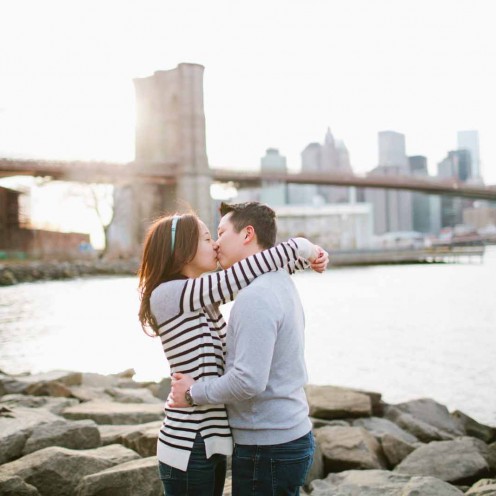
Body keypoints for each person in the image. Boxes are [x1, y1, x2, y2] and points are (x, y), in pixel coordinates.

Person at [138, 208, 328, 496]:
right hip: (188, 442)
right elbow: (242, 274)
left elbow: (255, 276)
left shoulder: (203, 300)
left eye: (217, 235)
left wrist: (303, 262)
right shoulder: (170, 295)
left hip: (211, 441)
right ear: (182, 251)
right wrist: (301, 247)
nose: (214, 244)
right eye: (206, 238)